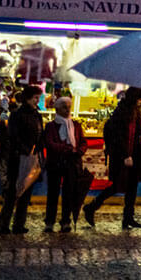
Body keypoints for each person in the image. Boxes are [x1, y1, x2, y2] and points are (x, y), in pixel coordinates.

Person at [85, 86, 141, 229]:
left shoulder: (133, 112)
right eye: (140, 99)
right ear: (134, 99)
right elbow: (120, 136)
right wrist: (126, 155)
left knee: (132, 186)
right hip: (123, 156)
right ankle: (92, 206)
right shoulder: (122, 113)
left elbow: (134, 132)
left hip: (133, 154)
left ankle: (128, 218)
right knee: (118, 185)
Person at [0, 85, 45, 235]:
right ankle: (3, 225)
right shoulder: (17, 114)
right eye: (35, 97)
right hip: (17, 158)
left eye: (38, 98)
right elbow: (13, 136)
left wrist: (37, 148)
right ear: (28, 98)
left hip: (31, 158)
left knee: (26, 192)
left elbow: (40, 134)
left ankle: (19, 224)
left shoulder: (37, 115)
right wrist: (24, 149)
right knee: (12, 192)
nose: (37, 101)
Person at [41, 95, 85, 233]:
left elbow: (83, 142)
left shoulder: (76, 126)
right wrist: (68, 149)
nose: (67, 110)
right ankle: (50, 221)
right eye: (64, 107)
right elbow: (50, 143)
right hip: (55, 163)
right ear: (58, 109)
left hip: (71, 164)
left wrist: (78, 151)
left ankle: (66, 221)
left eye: (68, 107)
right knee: (53, 193)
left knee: (69, 193)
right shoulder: (51, 126)